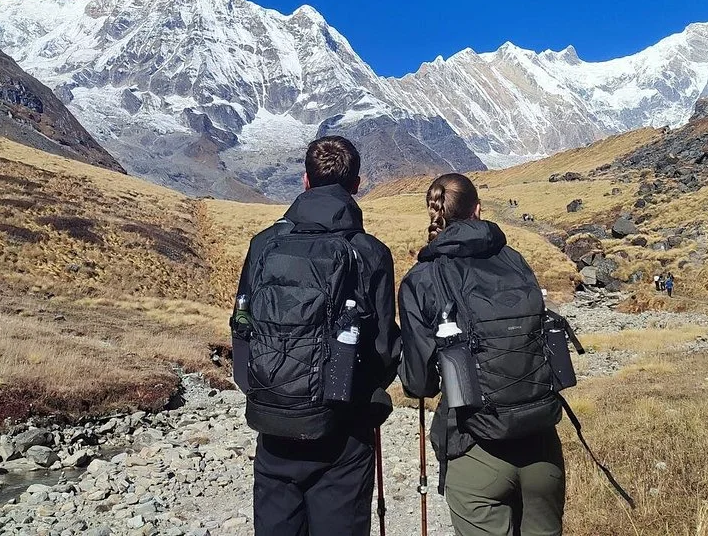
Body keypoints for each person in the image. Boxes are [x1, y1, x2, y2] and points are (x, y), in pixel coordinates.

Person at [234, 136, 401, 536]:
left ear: (305, 181)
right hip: (344, 434)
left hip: (273, 425)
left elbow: (242, 326)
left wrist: (261, 389)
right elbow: (382, 351)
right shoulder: (370, 252)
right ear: (357, 184)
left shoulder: (264, 244)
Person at [399, 173, 566, 536]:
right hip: (541, 444)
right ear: (478, 209)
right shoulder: (515, 259)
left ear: (434, 214)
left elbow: (418, 383)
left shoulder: (422, 277)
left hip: (473, 445)